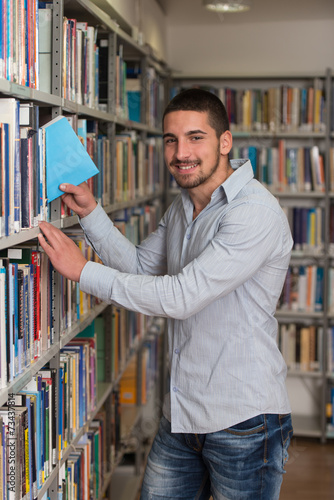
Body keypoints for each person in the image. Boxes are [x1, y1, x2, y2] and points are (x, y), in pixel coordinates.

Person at [38, 88, 294, 500]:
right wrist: (90, 211)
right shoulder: (184, 207)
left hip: (245, 421)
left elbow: (181, 297)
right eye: (171, 140)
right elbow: (141, 268)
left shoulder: (253, 213)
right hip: (182, 414)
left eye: (196, 137)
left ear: (224, 142)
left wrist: (82, 271)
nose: (181, 153)